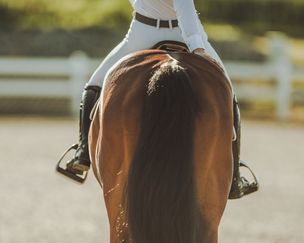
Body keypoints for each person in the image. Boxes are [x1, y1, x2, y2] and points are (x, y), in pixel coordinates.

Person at [64, 0, 258, 199]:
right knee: (227, 91)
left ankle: (84, 154)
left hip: (143, 33)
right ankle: (234, 176)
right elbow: (185, 7)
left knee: (93, 86)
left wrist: (195, 44)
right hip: (181, 32)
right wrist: (197, 47)